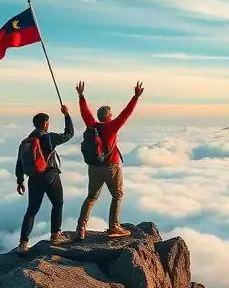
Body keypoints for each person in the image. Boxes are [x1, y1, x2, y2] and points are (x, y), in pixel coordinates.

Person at [75, 80, 144, 239]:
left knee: (91, 197)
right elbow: (126, 113)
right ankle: (114, 227)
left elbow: (84, 112)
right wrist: (135, 97)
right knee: (117, 195)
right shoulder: (112, 127)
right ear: (109, 117)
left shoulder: (91, 126)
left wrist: (81, 96)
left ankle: (81, 228)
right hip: (111, 167)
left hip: (93, 167)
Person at [15, 103, 75, 254]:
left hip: (33, 178)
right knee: (58, 203)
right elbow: (69, 134)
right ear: (46, 123)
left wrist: (20, 181)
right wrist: (66, 115)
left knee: (31, 210)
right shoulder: (49, 138)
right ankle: (56, 234)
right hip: (50, 176)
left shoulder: (26, 142)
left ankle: (23, 243)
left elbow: (19, 163)